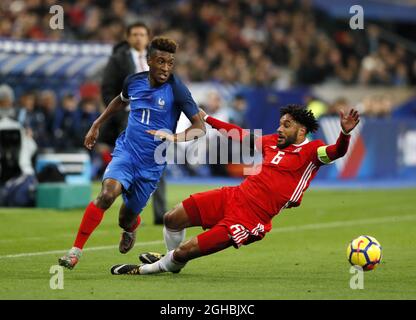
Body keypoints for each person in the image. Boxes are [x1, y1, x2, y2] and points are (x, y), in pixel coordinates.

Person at [110, 105, 360, 275]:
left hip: (251, 218)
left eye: (286, 125)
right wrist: (208, 119)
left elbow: (337, 151)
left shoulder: (312, 152)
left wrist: (345, 134)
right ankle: (169, 259)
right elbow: (240, 135)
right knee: (172, 218)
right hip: (235, 195)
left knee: (186, 251)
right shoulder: (272, 142)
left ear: (301, 131)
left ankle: (143, 270)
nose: (279, 129)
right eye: (280, 124)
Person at [58, 37, 206, 270]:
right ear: (149, 61)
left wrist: (175, 137)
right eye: (161, 62)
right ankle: (75, 252)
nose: (166, 68)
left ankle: (130, 227)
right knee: (107, 195)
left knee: (125, 218)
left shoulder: (177, 89)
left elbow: (200, 127)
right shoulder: (133, 82)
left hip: (151, 165)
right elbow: (119, 101)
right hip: (127, 152)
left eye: (170, 63)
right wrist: (96, 124)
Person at [100, 21, 167, 225]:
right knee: (130, 164)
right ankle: (128, 209)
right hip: (130, 118)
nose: (139, 38)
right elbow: (108, 90)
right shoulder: (118, 60)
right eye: (135, 34)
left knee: (158, 161)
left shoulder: (157, 59)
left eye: (142, 34)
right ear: (128, 37)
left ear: (148, 38)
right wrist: (121, 114)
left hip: (156, 117)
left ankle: (159, 213)